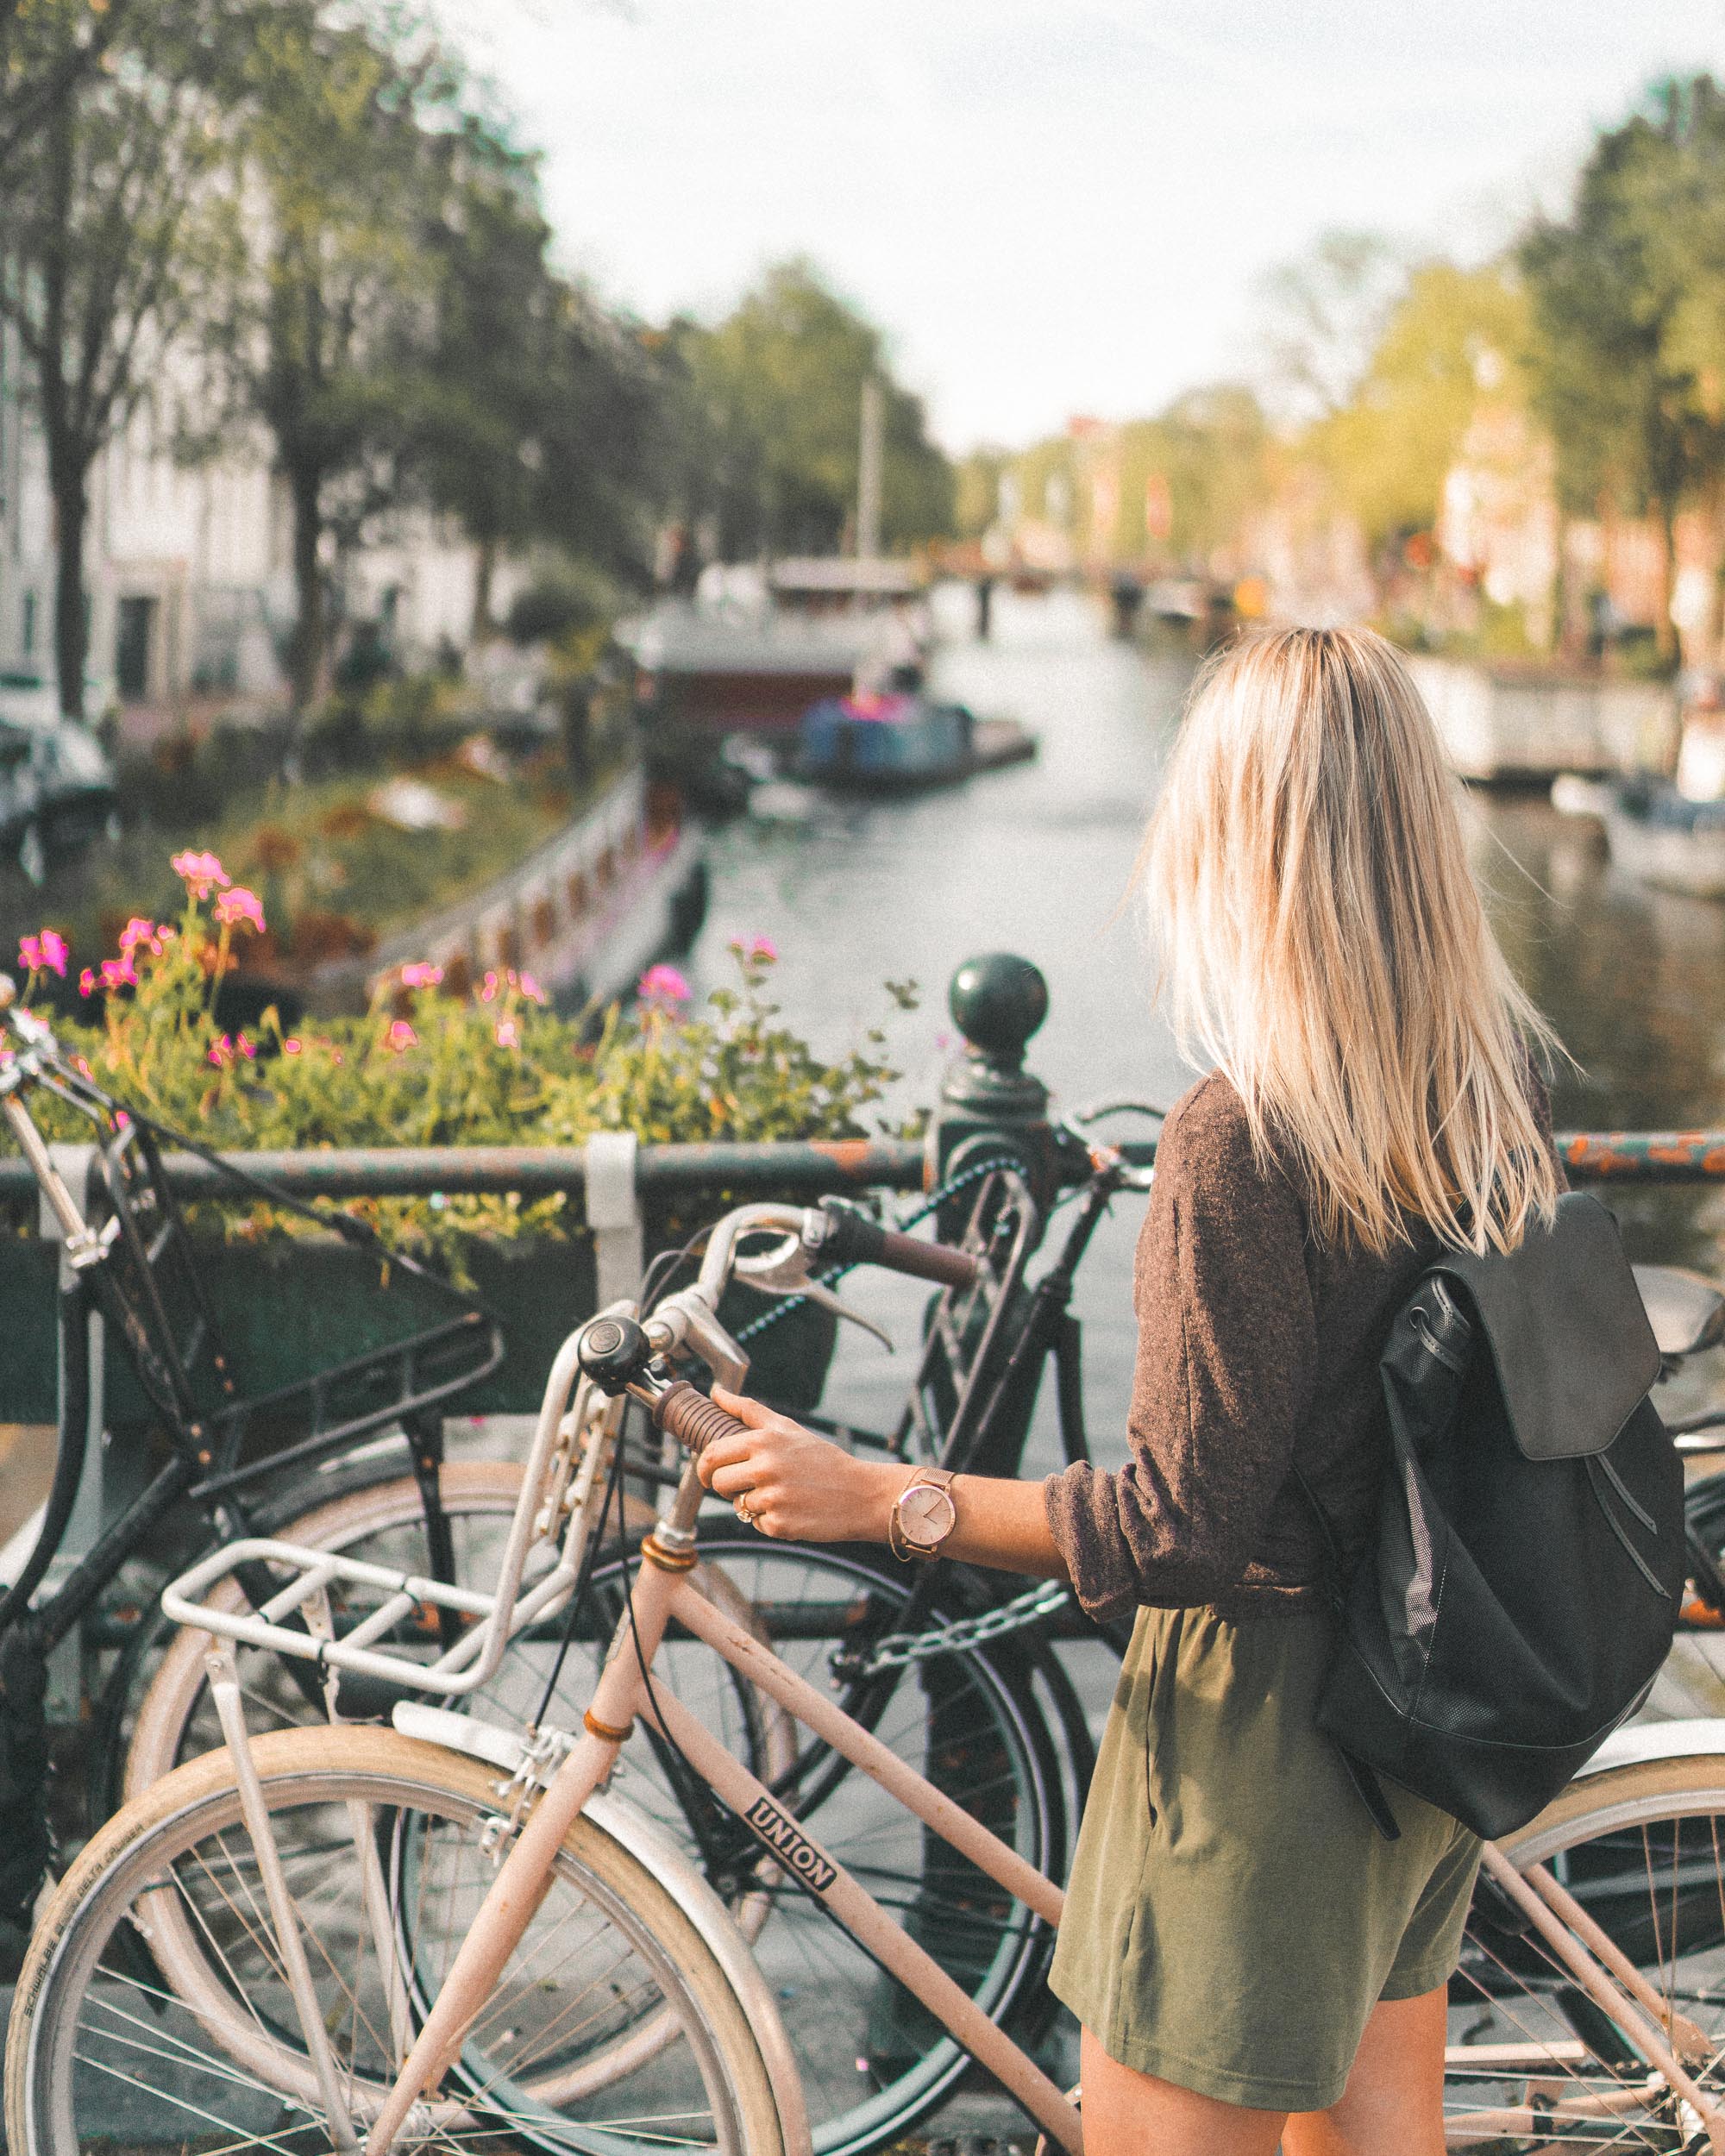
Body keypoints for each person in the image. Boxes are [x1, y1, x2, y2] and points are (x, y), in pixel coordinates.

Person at [695, 624, 1565, 2156]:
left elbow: (1179, 1527)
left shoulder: (1243, 1139)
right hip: (1414, 1717)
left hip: (1261, 1751)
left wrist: (879, 1497)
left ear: (1239, 846)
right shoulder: (1486, 1093)